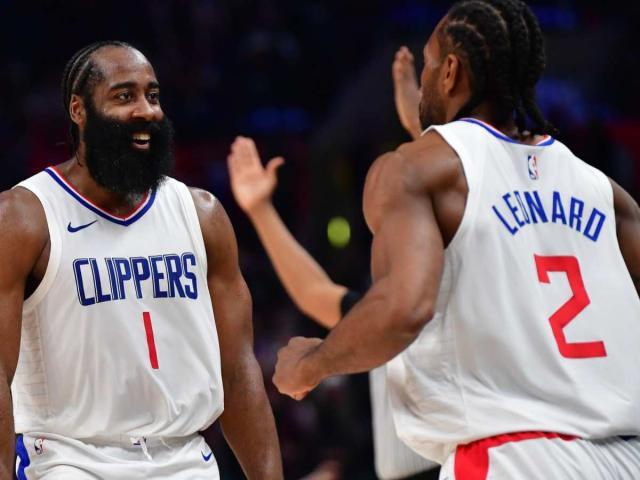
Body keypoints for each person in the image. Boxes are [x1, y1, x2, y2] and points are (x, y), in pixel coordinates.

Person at [267, 0, 639, 477]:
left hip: (516, 458)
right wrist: (431, 134)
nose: (421, 79)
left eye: (427, 64)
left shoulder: (411, 170)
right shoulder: (608, 194)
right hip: (626, 456)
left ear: (450, 72)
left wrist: (312, 362)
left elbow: (405, 308)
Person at [0, 41, 283, 479]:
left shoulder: (201, 214)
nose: (146, 110)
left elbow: (239, 372)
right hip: (68, 460)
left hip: (185, 457)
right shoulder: (24, 216)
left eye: (152, 96)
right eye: (123, 96)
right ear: (79, 110)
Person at [227, 47, 437, 480]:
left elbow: (457, 194)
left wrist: (422, 132)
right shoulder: (385, 302)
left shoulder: (440, 288)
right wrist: (262, 211)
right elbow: (316, 294)